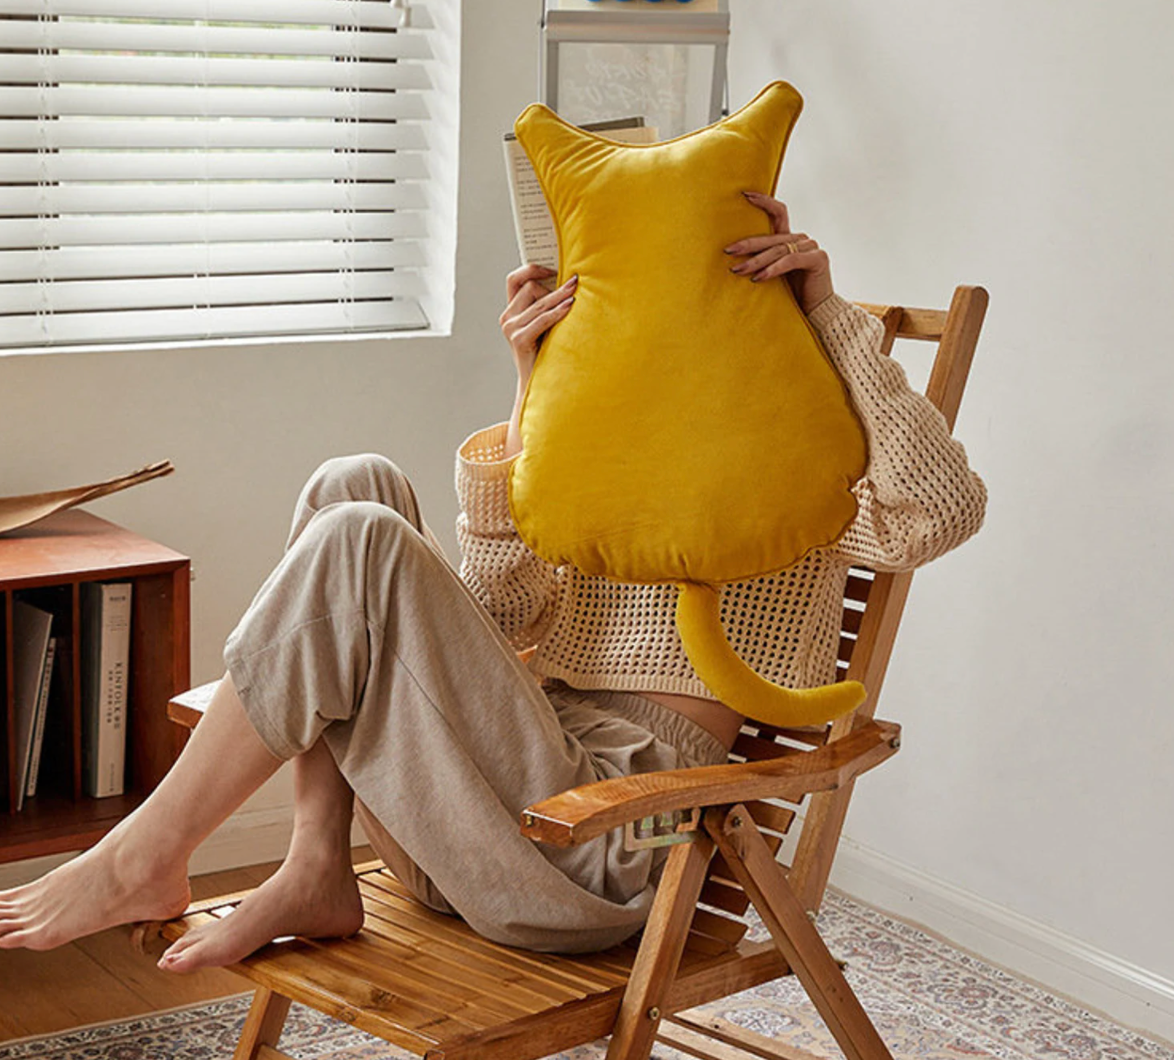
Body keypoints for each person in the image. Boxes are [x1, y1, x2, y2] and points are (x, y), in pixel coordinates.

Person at [0, 193, 985, 968]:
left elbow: (940, 511)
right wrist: (535, 385)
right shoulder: (616, 439)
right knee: (355, 486)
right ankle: (314, 865)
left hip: (611, 838)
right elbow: (503, 613)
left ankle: (145, 852)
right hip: (499, 803)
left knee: (359, 536)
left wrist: (826, 314)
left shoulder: (806, 471)